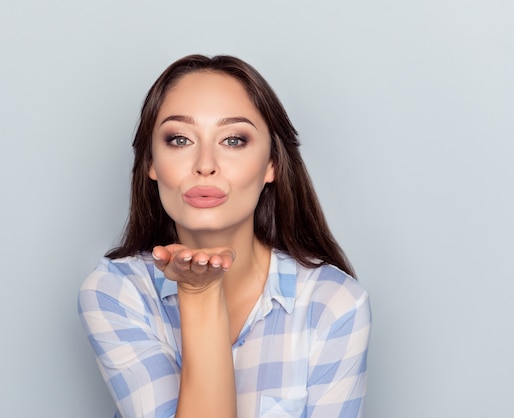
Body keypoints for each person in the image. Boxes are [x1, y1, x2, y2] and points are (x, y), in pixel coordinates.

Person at [78, 54, 371, 418]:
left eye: (233, 140)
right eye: (179, 139)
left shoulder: (334, 304)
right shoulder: (116, 292)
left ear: (272, 165)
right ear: (151, 163)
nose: (205, 164)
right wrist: (199, 293)